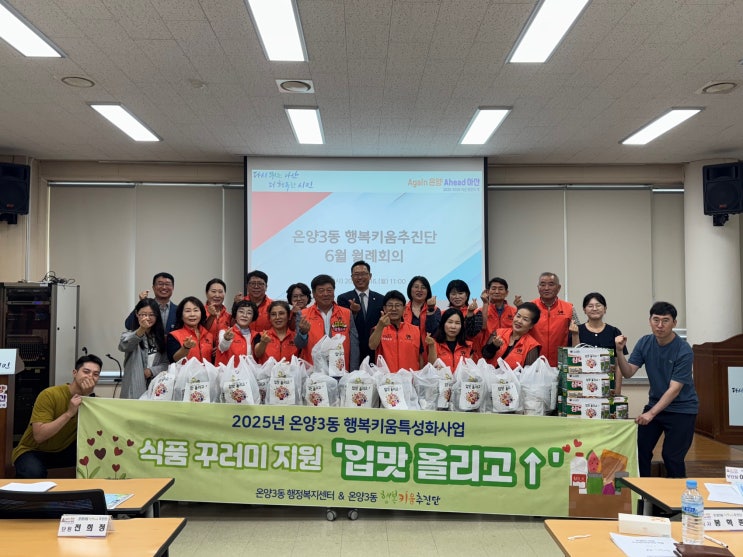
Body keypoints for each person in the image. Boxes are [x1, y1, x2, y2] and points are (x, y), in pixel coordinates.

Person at [615, 301, 698, 478]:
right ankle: (644, 492)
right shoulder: (645, 342)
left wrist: (650, 414)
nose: (660, 325)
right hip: (656, 404)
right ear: (650, 321)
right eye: (656, 320)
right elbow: (628, 372)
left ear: (674, 323)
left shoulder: (684, 350)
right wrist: (619, 352)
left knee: (672, 457)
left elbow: (674, 389)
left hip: (682, 409)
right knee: (640, 449)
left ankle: (676, 494)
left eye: (665, 320)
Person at [12, 355, 102, 478]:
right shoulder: (50, 394)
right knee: (33, 472)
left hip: (63, 449)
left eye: (96, 374)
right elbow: (39, 436)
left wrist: (87, 397)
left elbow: (94, 433)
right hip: (33, 450)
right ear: (75, 373)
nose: (90, 377)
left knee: (99, 458)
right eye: (86, 372)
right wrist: (69, 413)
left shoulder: (93, 402)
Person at [570, 292, 628, 394]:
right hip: (583, 387)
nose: (594, 309)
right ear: (584, 310)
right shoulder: (576, 330)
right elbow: (574, 361)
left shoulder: (614, 332)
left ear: (605, 309)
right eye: (590, 306)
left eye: (598, 305)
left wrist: (617, 390)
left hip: (608, 387)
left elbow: (618, 365)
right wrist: (575, 335)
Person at [300, 274, 359, 371]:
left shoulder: (346, 313)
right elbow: (299, 345)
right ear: (313, 294)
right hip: (313, 370)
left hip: (340, 368)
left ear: (334, 292)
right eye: (321, 290)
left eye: (329, 290)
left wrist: (354, 370)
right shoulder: (303, 314)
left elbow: (354, 345)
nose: (326, 294)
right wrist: (303, 333)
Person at [118, 298, 168, 399]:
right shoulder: (128, 334)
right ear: (137, 314)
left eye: (151, 314)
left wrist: (151, 371)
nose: (147, 318)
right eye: (143, 314)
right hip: (134, 388)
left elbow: (166, 364)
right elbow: (123, 346)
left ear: (157, 316)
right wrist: (142, 329)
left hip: (156, 388)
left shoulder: (161, 338)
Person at [337, 261, 384, 363]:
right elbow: (342, 324)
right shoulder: (343, 298)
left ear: (370, 276)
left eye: (363, 274)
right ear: (352, 277)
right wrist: (353, 313)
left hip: (375, 348)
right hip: (353, 348)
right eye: (356, 274)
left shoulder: (381, 299)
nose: (360, 277)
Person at [369, 290, 423, 372]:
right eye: (390, 305)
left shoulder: (415, 330)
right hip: (387, 379)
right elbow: (372, 346)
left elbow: (420, 357)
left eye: (398, 305)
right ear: (384, 308)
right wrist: (380, 327)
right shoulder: (377, 329)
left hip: (410, 378)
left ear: (404, 309)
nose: (394, 309)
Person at [528, 272, 574, 367]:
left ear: (559, 288)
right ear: (538, 287)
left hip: (561, 362)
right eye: (542, 284)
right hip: (534, 362)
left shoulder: (569, 308)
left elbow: (576, 333)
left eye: (551, 284)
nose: (546, 288)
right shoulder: (529, 307)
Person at [481, 302, 542, 368]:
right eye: (518, 316)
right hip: (490, 373)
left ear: (531, 325)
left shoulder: (531, 346)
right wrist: (493, 346)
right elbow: (485, 355)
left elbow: (530, 371)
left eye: (525, 319)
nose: (519, 321)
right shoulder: (498, 332)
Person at [474, 277, 517, 360]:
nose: (497, 292)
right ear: (487, 292)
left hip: (508, 356)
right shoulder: (479, 311)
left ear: (506, 293)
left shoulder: (515, 312)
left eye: (500, 289)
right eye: (493, 288)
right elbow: (480, 329)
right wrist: (485, 304)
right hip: (484, 356)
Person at [166, 296, 214, 363]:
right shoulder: (174, 335)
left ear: (201, 313)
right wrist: (185, 348)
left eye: (196, 310)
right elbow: (174, 359)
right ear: (181, 315)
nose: (192, 314)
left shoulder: (209, 335)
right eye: (188, 311)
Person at [216, 300, 258, 365]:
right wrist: (226, 339)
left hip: (247, 370)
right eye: (241, 312)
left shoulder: (256, 335)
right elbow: (222, 348)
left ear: (253, 317)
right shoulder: (224, 332)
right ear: (235, 314)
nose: (244, 315)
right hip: (228, 371)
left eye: (249, 313)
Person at [403, 275, 441, 345]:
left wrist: (430, 310)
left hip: (428, 349)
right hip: (407, 348)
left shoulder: (435, 310)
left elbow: (434, 332)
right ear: (410, 289)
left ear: (428, 291)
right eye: (416, 287)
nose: (419, 290)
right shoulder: (403, 310)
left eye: (423, 287)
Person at [204, 278, 231, 344]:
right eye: (213, 291)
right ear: (206, 293)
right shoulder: (199, 313)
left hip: (223, 349)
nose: (217, 295)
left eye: (220, 292)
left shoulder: (229, 317)